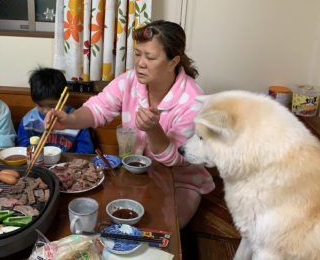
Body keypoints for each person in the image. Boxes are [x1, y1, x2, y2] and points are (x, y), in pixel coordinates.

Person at [45, 20, 215, 228]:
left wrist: (153, 129)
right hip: (133, 174)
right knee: (104, 221)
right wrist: (70, 120)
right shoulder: (130, 80)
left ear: (173, 61)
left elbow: (176, 159)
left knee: (158, 229)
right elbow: (99, 107)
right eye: (137, 53)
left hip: (179, 182)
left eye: (150, 56)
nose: (140, 63)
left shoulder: (192, 100)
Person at [16, 67, 94, 153]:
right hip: (39, 163)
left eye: (52, 105)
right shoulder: (28, 121)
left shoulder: (76, 119)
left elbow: (86, 150)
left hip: (68, 164)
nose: (46, 111)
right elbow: (23, 147)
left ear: (64, 98)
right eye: (40, 105)